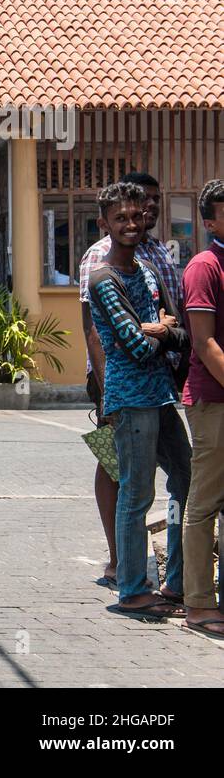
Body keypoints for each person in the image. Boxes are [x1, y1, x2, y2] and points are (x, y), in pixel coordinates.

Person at [87, 182, 191, 620]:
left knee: (187, 480)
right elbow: (135, 347)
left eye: (137, 216)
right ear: (104, 224)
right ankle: (131, 589)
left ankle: (177, 582)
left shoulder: (146, 272)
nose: (131, 224)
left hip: (163, 395)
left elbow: (182, 336)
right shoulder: (102, 279)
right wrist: (158, 330)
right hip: (130, 399)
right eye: (121, 218)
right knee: (136, 493)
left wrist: (161, 329)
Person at [178, 179, 224, 638]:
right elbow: (205, 342)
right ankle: (197, 603)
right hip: (213, 401)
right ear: (209, 221)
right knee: (204, 504)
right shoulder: (204, 267)